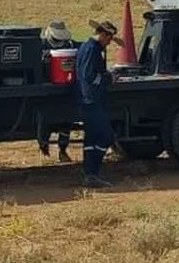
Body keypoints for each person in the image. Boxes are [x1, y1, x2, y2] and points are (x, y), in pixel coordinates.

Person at [75, 19, 120, 188]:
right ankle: (93, 172)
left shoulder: (87, 47)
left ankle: (90, 172)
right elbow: (89, 76)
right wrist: (109, 78)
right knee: (105, 135)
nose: (109, 42)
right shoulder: (92, 50)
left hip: (87, 99)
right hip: (91, 100)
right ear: (103, 34)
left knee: (92, 137)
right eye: (109, 38)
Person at [39, 20, 75, 163]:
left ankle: (62, 149)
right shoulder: (40, 45)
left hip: (64, 86)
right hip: (46, 87)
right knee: (45, 119)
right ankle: (43, 144)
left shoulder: (69, 45)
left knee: (66, 121)